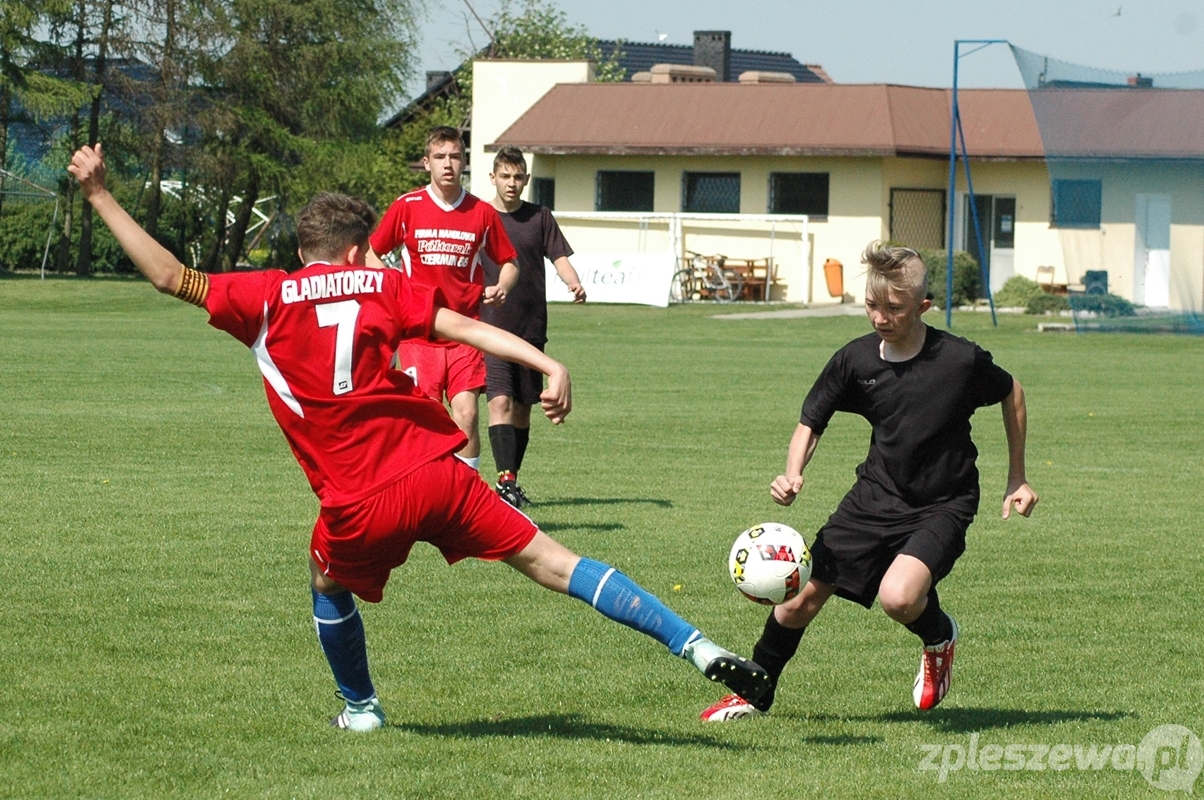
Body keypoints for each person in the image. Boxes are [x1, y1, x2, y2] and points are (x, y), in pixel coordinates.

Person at [68, 143, 770, 732]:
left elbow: (167, 275)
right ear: (351, 251)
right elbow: (465, 327)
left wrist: (99, 193)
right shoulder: (380, 289)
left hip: (359, 502)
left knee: (324, 576)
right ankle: (697, 645)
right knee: (556, 562)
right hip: (439, 473)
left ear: (308, 251)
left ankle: (362, 708)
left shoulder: (267, 298)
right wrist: (548, 361)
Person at [700, 242, 1039, 722]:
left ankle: (939, 638)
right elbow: (811, 420)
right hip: (874, 497)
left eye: (894, 309)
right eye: (872, 305)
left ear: (922, 307)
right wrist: (793, 472)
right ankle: (754, 689)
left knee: (899, 598)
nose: (880, 317)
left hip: (944, 501)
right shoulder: (856, 361)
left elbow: (1013, 392)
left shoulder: (958, 361)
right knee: (798, 601)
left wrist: (1017, 477)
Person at [367, 126, 519, 473]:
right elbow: (371, 252)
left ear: (464, 162)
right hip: (418, 334)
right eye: (439, 157)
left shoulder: (481, 212)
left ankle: (465, 498)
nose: (447, 164)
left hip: (465, 332)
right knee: (427, 416)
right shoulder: (407, 207)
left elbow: (509, 262)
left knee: (467, 413)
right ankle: (427, 492)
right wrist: (393, 289)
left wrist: (503, 286)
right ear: (426, 163)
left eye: (454, 156)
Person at [481, 145, 586, 508]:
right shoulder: (480, 216)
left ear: (526, 180)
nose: (511, 184)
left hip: (530, 327)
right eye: (505, 176)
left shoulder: (539, 216)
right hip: (490, 327)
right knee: (499, 401)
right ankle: (505, 481)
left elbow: (559, 257)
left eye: (518, 177)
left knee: (524, 408)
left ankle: (510, 481)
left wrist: (573, 282)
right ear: (492, 178)